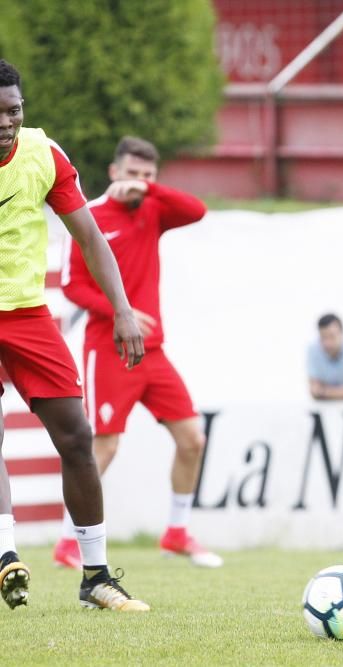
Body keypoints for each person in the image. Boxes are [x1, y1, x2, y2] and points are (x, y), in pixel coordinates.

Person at [0, 60, 149, 611]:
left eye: (13, 109)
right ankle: (5, 557)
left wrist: (123, 309)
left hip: (28, 315)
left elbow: (88, 234)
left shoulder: (44, 154)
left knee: (78, 439)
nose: (5, 121)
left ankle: (96, 578)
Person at [56, 136, 222, 569]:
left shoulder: (153, 208)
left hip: (154, 352)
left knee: (192, 439)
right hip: (108, 350)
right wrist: (119, 310)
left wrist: (150, 190)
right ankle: (67, 541)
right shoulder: (87, 215)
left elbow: (197, 210)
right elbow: (72, 285)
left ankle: (177, 533)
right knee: (103, 447)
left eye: (149, 175)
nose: (139, 183)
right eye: (133, 174)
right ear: (114, 173)